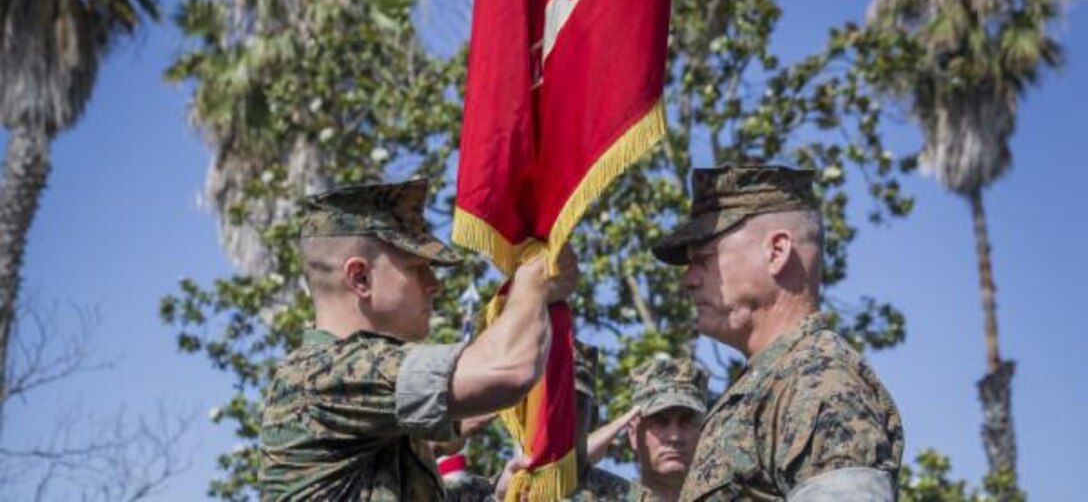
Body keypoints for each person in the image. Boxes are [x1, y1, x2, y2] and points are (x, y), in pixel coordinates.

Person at [258, 179, 576, 500]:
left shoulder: (369, 397)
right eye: (418, 268)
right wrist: (535, 279)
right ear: (360, 278)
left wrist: (493, 492)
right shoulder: (323, 373)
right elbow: (508, 370)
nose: (434, 284)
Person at [651, 165, 903, 501]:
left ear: (777, 252)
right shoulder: (774, 382)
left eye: (704, 258)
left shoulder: (818, 381)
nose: (689, 279)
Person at [577, 357, 708, 502]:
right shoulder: (602, 496)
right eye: (659, 422)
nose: (674, 437)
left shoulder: (732, 493)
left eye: (686, 422)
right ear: (633, 433)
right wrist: (581, 455)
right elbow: (551, 483)